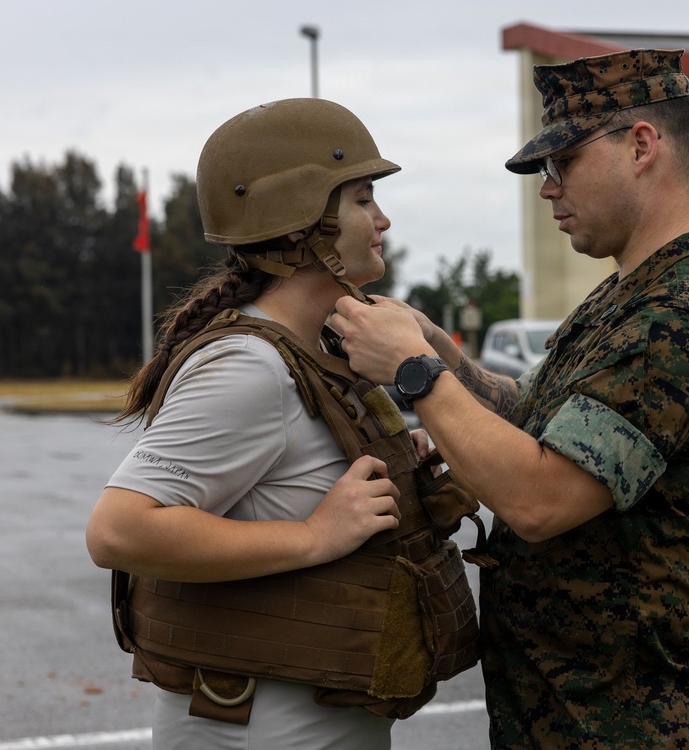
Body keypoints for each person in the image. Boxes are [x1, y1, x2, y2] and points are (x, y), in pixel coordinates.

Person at [329, 49, 689, 749]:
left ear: (641, 145)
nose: (548, 189)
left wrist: (416, 374)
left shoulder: (684, 312)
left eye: (561, 163)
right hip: (572, 717)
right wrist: (436, 345)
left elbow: (541, 499)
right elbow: (527, 413)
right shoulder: (629, 298)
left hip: (633, 726)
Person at [85, 99, 479, 750]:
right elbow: (119, 529)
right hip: (257, 724)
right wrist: (313, 534)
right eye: (361, 198)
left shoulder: (311, 355)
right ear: (303, 221)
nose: (382, 220)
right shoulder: (250, 366)